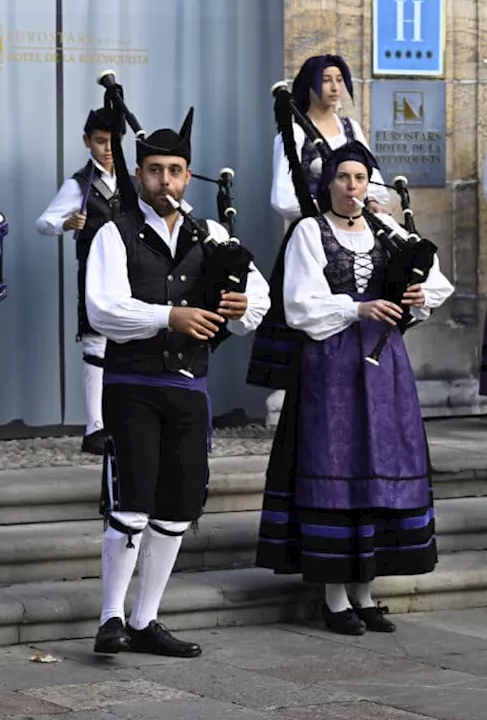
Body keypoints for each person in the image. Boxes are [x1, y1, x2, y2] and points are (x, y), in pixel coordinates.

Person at [84, 105, 271, 658]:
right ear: (138, 175)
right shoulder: (114, 232)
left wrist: (240, 306)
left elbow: (257, 299)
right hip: (131, 383)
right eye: (155, 170)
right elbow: (103, 309)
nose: (165, 180)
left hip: (189, 385)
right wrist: (169, 317)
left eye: (175, 170)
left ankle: (145, 621)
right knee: (131, 501)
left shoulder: (210, 233)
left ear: (189, 175)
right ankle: (110, 618)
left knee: (177, 506)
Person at [254, 138, 452, 636]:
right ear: (328, 184)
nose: (352, 186)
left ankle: (365, 591)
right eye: (343, 178)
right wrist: (357, 307)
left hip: (384, 368)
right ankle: (334, 596)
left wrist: (416, 294)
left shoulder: (385, 229)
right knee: (335, 461)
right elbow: (299, 304)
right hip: (331, 365)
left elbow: (438, 283)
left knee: (378, 464)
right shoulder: (309, 232)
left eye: (360, 178)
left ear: (370, 184)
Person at [36, 107, 123, 455]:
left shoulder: (131, 180)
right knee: (96, 345)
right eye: (100, 141)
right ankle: (94, 426)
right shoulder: (79, 184)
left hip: (130, 272)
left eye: (113, 142)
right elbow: (43, 222)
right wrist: (65, 223)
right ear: (87, 142)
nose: (107, 149)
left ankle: (121, 419)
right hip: (93, 271)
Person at [270, 55, 389, 222]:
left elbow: (372, 179)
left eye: (339, 80)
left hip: (354, 223)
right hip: (314, 226)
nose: (335, 88)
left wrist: (371, 201)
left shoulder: (351, 128)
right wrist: (330, 204)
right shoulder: (295, 133)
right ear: (309, 85)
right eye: (326, 80)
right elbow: (283, 198)